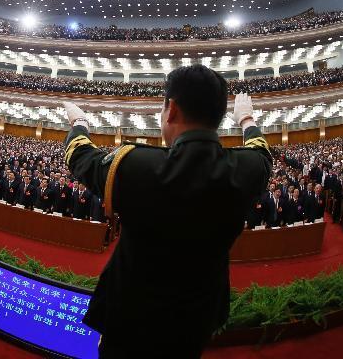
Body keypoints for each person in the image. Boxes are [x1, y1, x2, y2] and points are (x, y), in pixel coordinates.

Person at [62, 65, 271, 357]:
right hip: (197, 321)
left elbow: (79, 156)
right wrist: (247, 119)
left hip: (130, 324)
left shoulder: (134, 166)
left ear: (171, 109)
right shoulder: (247, 169)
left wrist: (80, 122)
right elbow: (261, 151)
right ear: (222, 116)